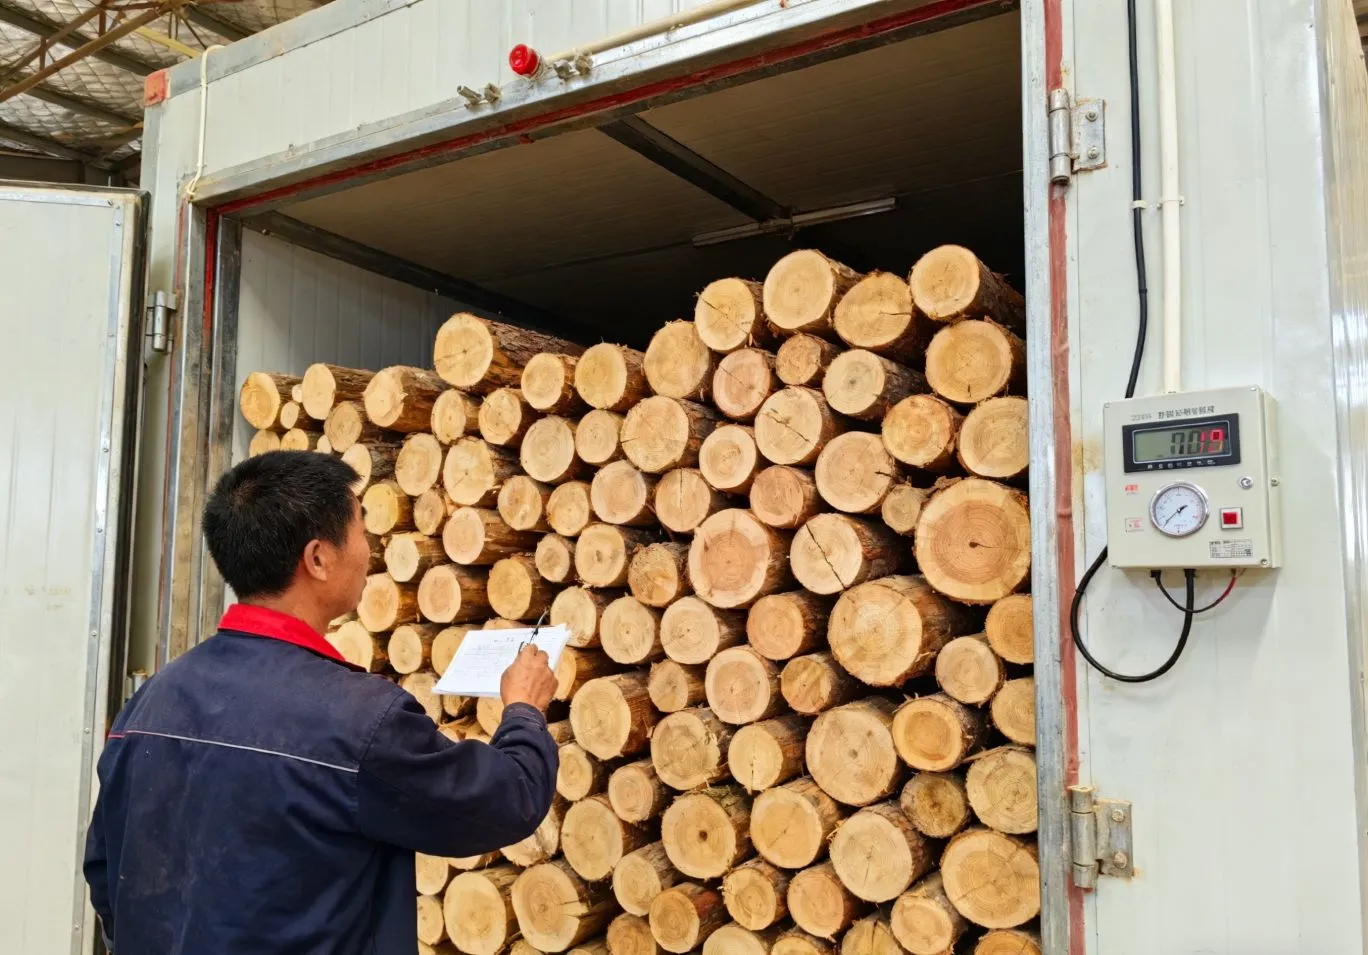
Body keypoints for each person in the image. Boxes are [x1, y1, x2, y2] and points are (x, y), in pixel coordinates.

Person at [83, 450, 559, 955]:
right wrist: (524, 711)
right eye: (360, 529)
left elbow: (104, 870)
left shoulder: (153, 699)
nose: (369, 548)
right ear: (317, 558)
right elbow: (503, 801)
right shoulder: (360, 722)